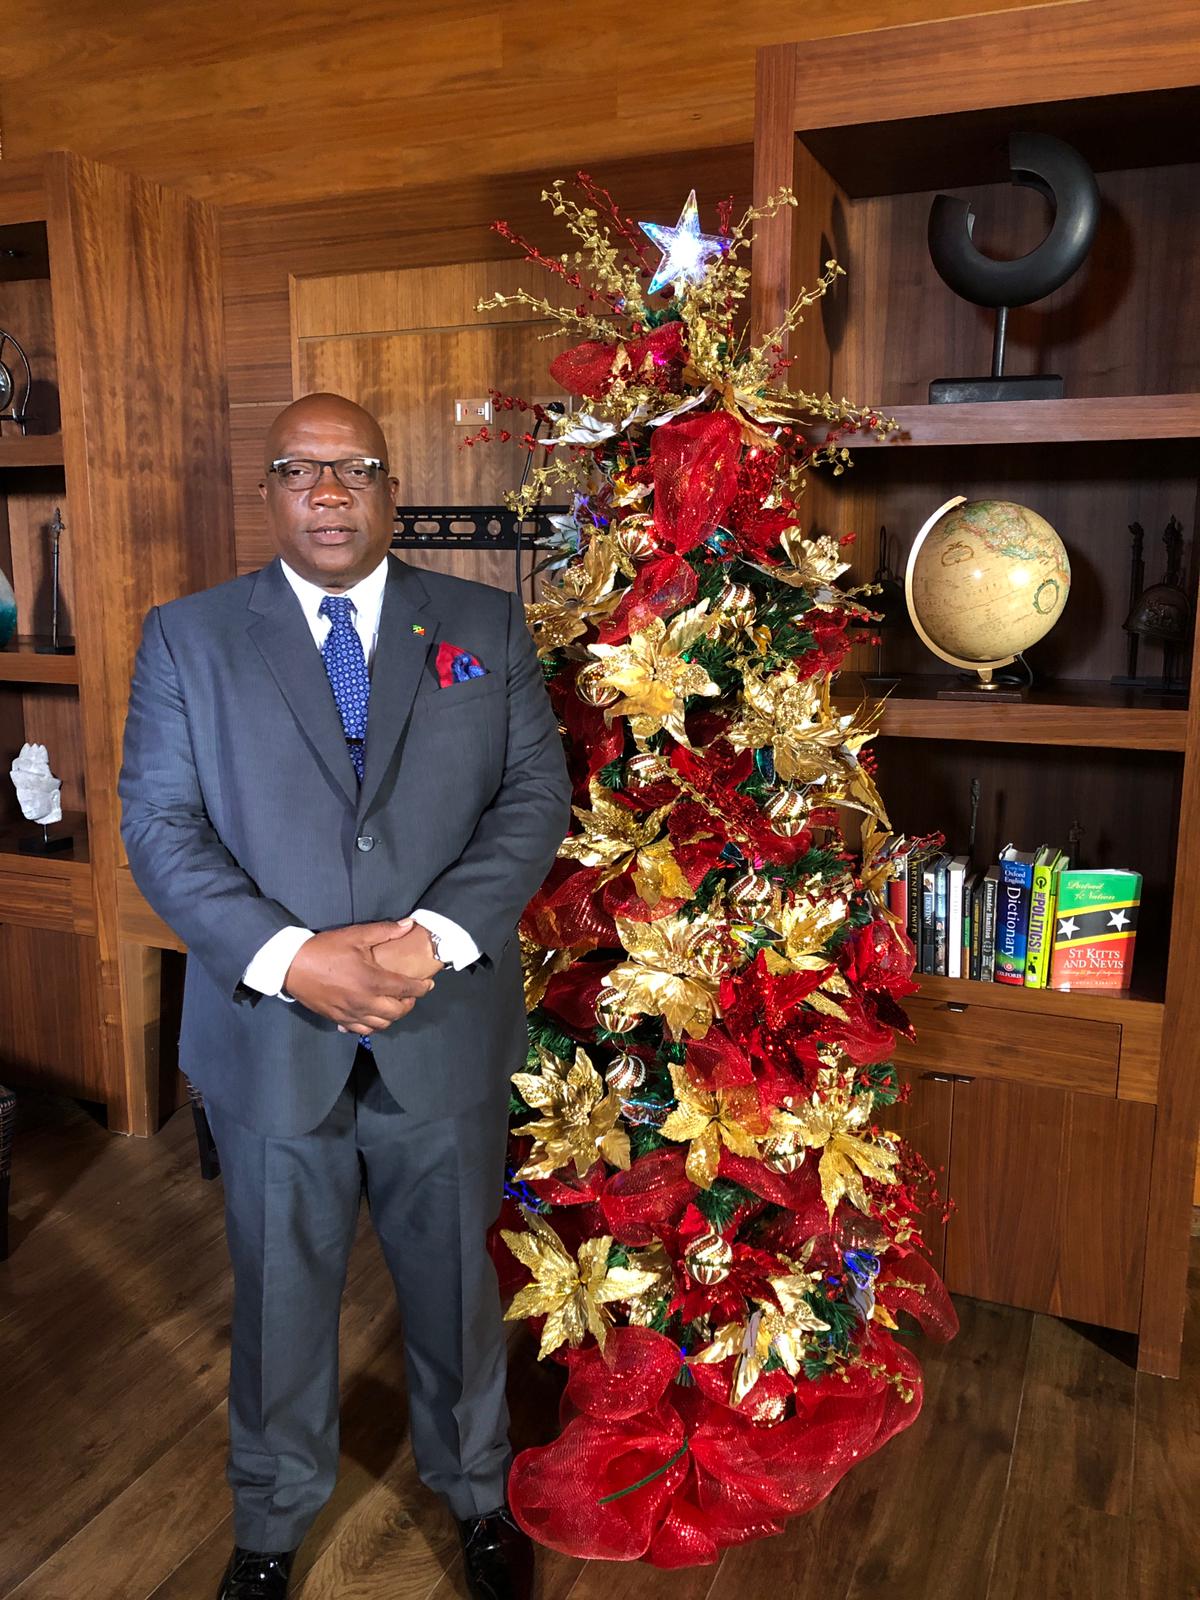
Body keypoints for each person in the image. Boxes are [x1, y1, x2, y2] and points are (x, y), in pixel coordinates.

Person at [120, 392, 572, 1600]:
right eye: (300, 469)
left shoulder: (483, 624)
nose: (328, 490)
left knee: (458, 1290)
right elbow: (159, 826)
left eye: (354, 467)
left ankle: (479, 1497)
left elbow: (535, 798)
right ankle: (270, 1523)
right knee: (278, 1293)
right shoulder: (188, 639)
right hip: (271, 1033)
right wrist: (291, 957)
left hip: (444, 1023)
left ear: (389, 488)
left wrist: (434, 938)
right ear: (268, 490)